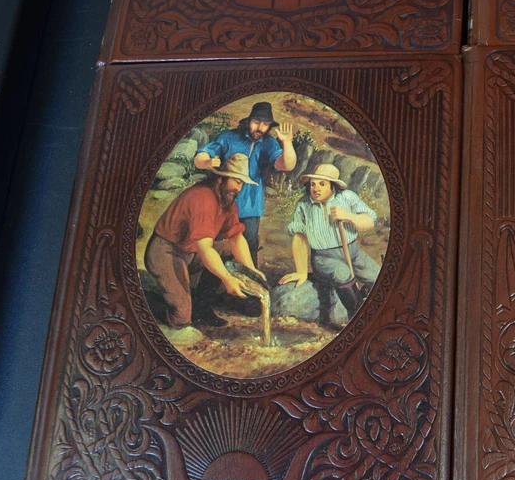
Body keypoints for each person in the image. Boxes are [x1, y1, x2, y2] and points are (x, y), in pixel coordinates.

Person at [144, 154, 266, 329]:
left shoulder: (227, 200)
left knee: (227, 249)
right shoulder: (203, 198)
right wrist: (227, 279)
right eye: (237, 181)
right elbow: (205, 249)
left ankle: (201, 306)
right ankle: (144, 297)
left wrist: (251, 270)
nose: (239, 188)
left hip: (190, 252)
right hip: (166, 251)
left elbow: (236, 238)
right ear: (221, 178)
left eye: (242, 183)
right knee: (181, 317)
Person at [193, 102, 296, 266]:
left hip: (250, 205)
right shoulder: (228, 137)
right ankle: (213, 281)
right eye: (256, 122)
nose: (260, 128)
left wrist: (287, 143)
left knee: (248, 247)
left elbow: (287, 165)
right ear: (248, 120)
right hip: (221, 202)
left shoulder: (269, 143)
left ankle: (250, 279)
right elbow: (200, 157)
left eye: (265, 124)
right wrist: (207, 161)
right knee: (217, 246)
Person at [280, 164, 381, 329]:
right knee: (342, 273)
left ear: (333, 185)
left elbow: (370, 220)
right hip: (323, 257)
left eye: (322, 184)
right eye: (313, 184)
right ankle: (359, 320)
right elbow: (300, 237)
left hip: (353, 251)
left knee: (377, 275)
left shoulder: (347, 197)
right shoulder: (304, 205)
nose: (316, 189)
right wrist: (301, 271)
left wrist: (348, 216)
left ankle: (377, 310)